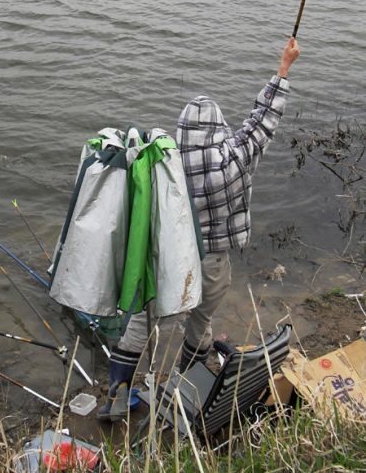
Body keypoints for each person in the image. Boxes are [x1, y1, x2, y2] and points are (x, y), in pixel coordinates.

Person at [97, 36, 301, 421]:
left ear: (182, 129)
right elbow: (262, 124)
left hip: (169, 262)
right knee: (199, 324)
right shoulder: (235, 160)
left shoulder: (164, 168)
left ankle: (117, 394)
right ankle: (178, 391)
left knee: (141, 322)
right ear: (218, 126)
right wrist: (283, 68)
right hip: (212, 266)